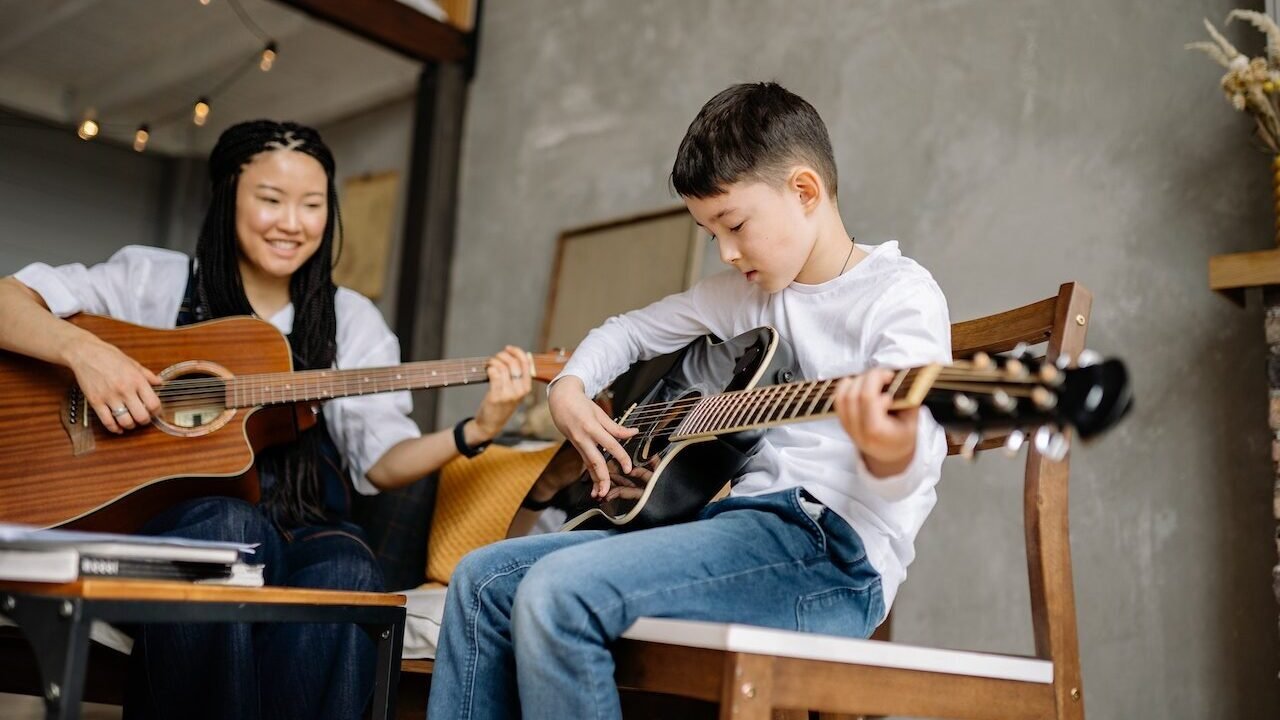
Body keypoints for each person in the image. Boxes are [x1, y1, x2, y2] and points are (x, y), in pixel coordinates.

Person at [425, 81, 953, 720]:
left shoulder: (898, 295)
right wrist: (569, 389)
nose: (727, 253)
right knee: (481, 582)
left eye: (734, 225)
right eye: (710, 235)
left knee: (557, 596)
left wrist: (889, 449)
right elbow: (624, 332)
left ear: (805, 192)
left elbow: (917, 459)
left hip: (831, 558)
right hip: (735, 530)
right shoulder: (746, 296)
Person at [0, 120, 534, 720]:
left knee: (352, 569)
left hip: (306, 524)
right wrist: (86, 354)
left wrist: (476, 431)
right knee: (226, 528)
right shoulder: (153, 279)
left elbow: (383, 464)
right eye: (271, 200)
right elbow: (6, 301)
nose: (292, 223)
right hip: (171, 525)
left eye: (312, 205)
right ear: (228, 196)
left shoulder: (350, 319)